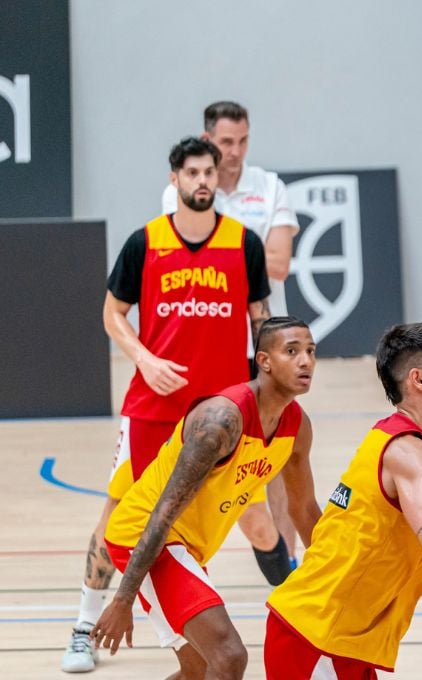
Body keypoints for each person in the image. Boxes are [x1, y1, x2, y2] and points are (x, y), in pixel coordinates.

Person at [61, 137, 272, 673]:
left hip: (222, 415)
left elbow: (262, 322)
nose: (203, 180)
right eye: (192, 172)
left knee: (245, 522)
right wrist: (143, 359)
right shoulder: (145, 242)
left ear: (219, 180)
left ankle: (262, 612)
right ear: (175, 179)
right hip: (154, 408)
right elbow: (112, 314)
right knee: (116, 517)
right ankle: (85, 625)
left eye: (210, 172)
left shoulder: (244, 243)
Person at [89, 317, 324, 680]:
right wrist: (122, 600)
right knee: (229, 656)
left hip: (186, 546)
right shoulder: (220, 422)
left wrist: (336, 573)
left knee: (198, 671)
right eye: (291, 351)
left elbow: (305, 511)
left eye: (310, 351)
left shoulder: (297, 427)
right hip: (145, 535)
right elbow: (162, 513)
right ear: (263, 361)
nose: (305, 360)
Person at [264, 323, 422, 679]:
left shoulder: (405, 446)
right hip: (316, 636)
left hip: (338, 640)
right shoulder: (408, 454)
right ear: (418, 380)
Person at [163, 100, 302, 578]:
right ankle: (183, 556)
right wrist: (243, 247)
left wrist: (224, 245)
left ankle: (286, 557)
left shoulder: (269, 186)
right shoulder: (184, 190)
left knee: (276, 455)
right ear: (207, 139)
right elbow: (186, 264)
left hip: (266, 345)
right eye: (226, 142)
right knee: (199, 454)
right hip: (210, 346)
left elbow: (279, 265)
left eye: (243, 141)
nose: (235, 152)